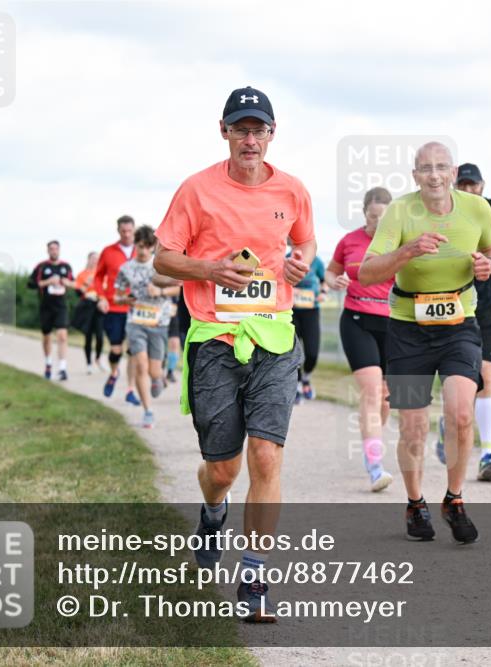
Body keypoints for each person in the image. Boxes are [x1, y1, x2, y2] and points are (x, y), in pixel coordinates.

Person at [154, 85, 315, 622]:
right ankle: (213, 509)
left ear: (273, 134)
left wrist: (299, 263)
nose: (251, 139)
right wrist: (209, 270)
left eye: (259, 129)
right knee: (221, 468)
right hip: (215, 340)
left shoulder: (292, 190)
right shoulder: (196, 190)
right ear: (223, 132)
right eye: (241, 128)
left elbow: (307, 242)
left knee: (266, 455)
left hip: (273, 335)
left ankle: (255, 577)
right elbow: (164, 258)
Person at [359, 142, 491, 544]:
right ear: (415, 175)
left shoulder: (478, 209)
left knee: (460, 413)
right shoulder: (400, 211)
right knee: (413, 426)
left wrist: (489, 263)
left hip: (460, 325)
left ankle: (454, 499)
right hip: (407, 330)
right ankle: (415, 502)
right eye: (426, 169)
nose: (435, 175)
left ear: (454, 172)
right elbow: (368, 273)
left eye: (442, 167)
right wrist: (408, 250)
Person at [436, 163, 491, 482]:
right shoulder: (444, 210)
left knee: (487, 375)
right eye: (464, 185)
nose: (469, 190)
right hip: (451, 303)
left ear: (482, 185)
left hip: (487, 305)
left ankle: (487, 455)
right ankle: (449, 425)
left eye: (474, 185)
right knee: (459, 382)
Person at [326, 186, 395, 492]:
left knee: (385, 399)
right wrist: (336, 281)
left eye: (385, 217)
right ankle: (375, 466)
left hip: (394, 324)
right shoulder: (350, 241)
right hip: (357, 320)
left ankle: (373, 445)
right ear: (365, 211)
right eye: (373, 215)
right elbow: (330, 272)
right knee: (370, 392)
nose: (378, 222)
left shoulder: (399, 243)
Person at [115, 225, 181, 429]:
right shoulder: (125, 269)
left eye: (147, 247)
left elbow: (179, 286)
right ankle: (148, 411)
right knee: (140, 364)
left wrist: (160, 293)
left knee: (153, 370)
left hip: (159, 323)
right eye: (139, 246)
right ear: (135, 245)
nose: (143, 251)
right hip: (136, 322)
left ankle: (159, 378)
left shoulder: (160, 266)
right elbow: (117, 297)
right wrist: (126, 300)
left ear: (153, 247)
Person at [94, 215, 140, 405]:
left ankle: (130, 389)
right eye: (123, 231)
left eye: (130, 231)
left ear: (134, 230)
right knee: (116, 350)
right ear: (118, 231)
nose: (127, 234)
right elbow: (98, 277)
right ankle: (114, 372)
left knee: (133, 350)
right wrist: (101, 297)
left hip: (137, 308)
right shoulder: (108, 251)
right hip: (114, 307)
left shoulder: (142, 251)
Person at [27, 240, 75, 381]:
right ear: (48, 251)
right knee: (47, 336)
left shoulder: (66, 266)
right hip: (46, 306)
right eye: (51, 249)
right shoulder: (42, 267)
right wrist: (48, 282)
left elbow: (74, 283)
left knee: (62, 335)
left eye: (56, 249)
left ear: (59, 250)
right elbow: (31, 284)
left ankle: (62, 368)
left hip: (61, 306)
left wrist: (67, 283)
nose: (54, 251)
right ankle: (48, 364)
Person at [291, 250, 326, 402]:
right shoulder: (286, 258)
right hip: (292, 311)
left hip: (311, 310)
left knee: (312, 352)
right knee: (294, 351)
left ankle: (306, 378)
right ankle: (296, 385)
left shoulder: (316, 261)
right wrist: (291, 290)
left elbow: (324, 279)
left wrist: (323, 292)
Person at [73, 251, 106, 375]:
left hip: (99, 306)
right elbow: (78, 293)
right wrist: (87, 283)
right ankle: (88, 364)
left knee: (100, 336)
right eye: (92, 258)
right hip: (87, 306)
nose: (95, 261)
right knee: (88, 337)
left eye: (97, 259)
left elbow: (106, 289)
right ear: (88, 259)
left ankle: (98, 358)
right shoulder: (82, 274)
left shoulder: (102, 274)